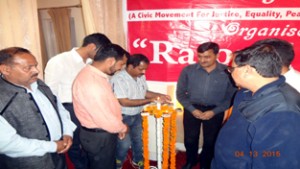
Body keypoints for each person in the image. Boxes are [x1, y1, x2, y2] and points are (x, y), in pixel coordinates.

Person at [211, 43, 300, 169]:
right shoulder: (245, 92)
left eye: (232, 69)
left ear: (247, 70)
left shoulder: (282, 112)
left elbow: (276, 163)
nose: (230, 73)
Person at [0, 47, 76, 169]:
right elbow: (7, 144)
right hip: (27, 164)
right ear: (5, 69)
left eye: (35, 65)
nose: (37, 71)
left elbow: (59, 109)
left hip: (58, 158)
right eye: (28, 68)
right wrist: (52, 146)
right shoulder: (2, 98)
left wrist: (67, 132)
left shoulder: (40, 84)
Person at [44, 33, 111, 169]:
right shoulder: (59, 61)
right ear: (92, 46)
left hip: (89, 107)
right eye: (101, 51)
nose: (102, 55)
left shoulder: (91, 64)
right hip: (69, 108)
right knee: (74, 144)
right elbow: (50, 91)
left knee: (88, 140)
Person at [176, 42, 237, 169]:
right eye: (199, 56)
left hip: (215, 110)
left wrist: (214, 112)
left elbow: (230, 97)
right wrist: (192, 109)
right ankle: (191, 161)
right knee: (190, 139)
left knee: (211, 141)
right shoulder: (188, 70)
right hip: (192, 109)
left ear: (217, 55)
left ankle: (205, 163)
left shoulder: (227, 72)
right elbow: (180, 94)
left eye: (207, 57)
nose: (202, 60)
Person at [72, 43, 129, 169]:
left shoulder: (95, 75)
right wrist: (122, 128)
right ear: (110, 61)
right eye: (121, 65)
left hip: (102, 132)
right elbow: (104, 117)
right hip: (99, 135)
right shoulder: (91, 82)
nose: (120, 69)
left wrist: (117, 127)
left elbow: (107, 105)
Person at [110, 53, 171, 169]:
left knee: (139, 140)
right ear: (130, 66)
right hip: (122, 116)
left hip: (137, 114)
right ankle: (117, 163)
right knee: (124, 144)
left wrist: (160, 95)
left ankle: (138, 161)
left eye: (145, 69)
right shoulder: (118, 79)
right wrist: (150, 100)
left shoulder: (140, 76)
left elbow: (145, 93)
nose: (144, 72)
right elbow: (124, 102)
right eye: (141, 69)